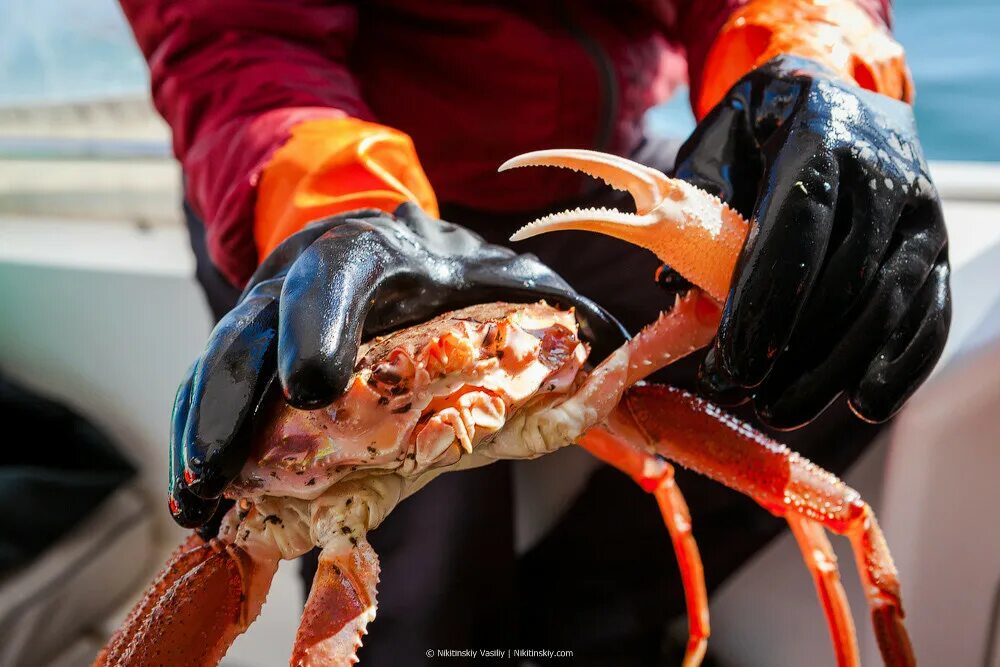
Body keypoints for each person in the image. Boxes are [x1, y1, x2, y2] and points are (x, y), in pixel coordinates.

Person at [119, 0, 951, 662]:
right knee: (422, 592)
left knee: (834, 312)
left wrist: (815, 58)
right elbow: (232, 35)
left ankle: (584, 636)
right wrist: (342, 214)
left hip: (569, 169)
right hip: (313, 172)